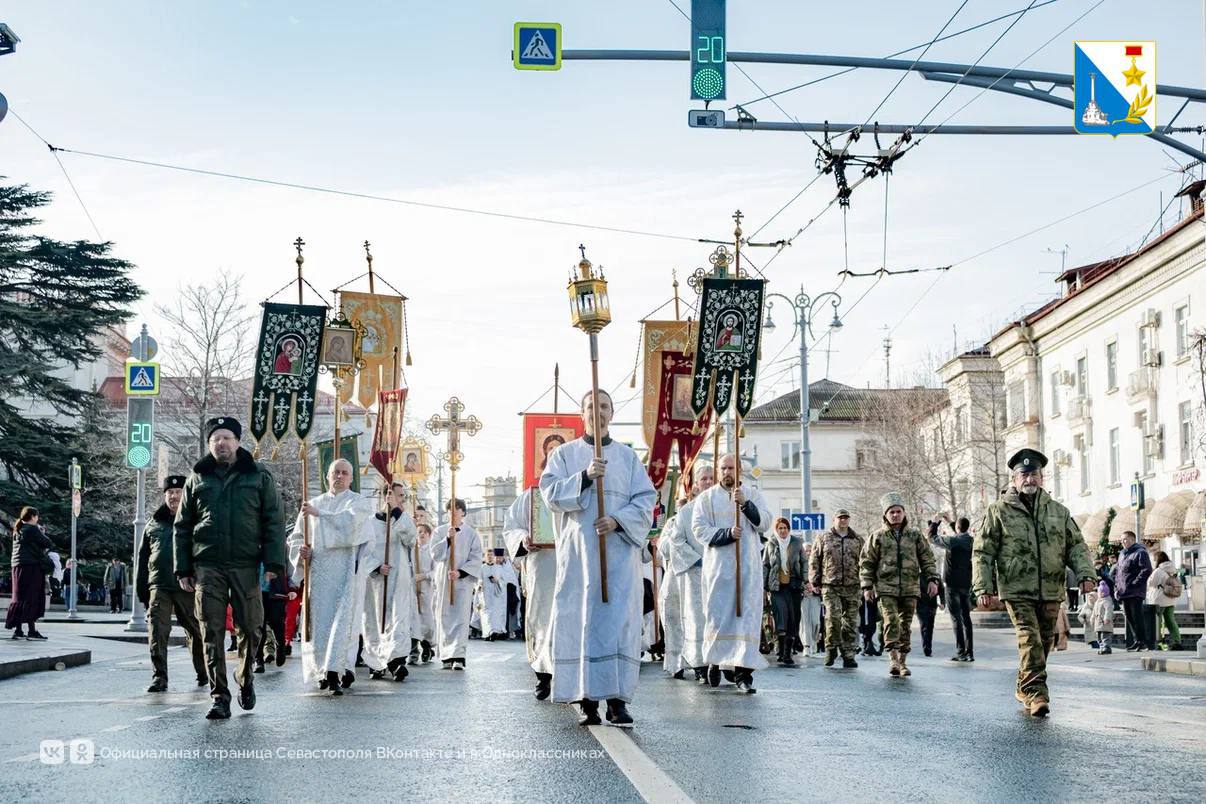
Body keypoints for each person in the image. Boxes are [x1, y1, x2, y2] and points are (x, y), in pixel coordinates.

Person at [540, 389, 656, 727]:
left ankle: (618, 701)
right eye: (591, 406)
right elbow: (549, 494)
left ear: (612, 413)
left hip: (618, 556)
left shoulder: (628, 458)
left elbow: (646, 500)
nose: (598, 411)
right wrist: (584, 478)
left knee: (619, 624)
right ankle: (586, 698)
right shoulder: (564, 455)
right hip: (580, 557)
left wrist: (618, 520)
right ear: (582, 413)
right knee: (583, 622)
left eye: (604, 406)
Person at [174, 417, 286, 720]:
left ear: (237, 442)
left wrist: (274, 563)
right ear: (209, 444)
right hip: (208, 565)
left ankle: (244, 678)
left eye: (226, 438)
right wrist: (183, 568)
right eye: (215, 439)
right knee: (210, 630)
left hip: (246, 564)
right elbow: (182, 526)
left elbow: (273, 520)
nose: (221, 443)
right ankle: (219, 696)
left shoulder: (258, 475)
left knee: (250, 627)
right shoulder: (197, 478)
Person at [973, 448, 1095, 717]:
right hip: (1016, 588)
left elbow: (1076, 546)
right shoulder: (998, 511)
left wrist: (1086, 575)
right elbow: (983, 552)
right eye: (1024, 475)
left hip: (1051, 587)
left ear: (1042, 478)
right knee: (1030, 638)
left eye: (1034, 474)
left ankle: (1024, 684)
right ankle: (1037, 693)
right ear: (1014, 479)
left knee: (1046, 640)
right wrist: (983, 587)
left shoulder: (1058, 512)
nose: (1030, 479)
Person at [287, 458, 375, 695]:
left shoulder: (358, 503)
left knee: (342, 622)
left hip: (346, 572)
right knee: (320, 623)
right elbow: (297, 537)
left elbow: (352, 526)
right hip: (319, 573)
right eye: (335, 472)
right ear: (327, 476)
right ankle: (320, 670)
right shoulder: (312, 505)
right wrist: (302, 552)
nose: (339, 476)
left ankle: (335, 671)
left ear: (351, 478)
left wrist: (321, 515)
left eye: (344, 473)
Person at [692, 453, 771, 694]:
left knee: (746, 619)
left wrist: (746, 505)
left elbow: (765, 522)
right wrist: (726, 534)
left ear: (740, 470)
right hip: (719, 569)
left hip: (747, 570)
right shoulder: (706, 498)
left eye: (731, 468)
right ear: (718, 470)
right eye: (723, 468)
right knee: (718, 617)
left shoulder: (752, 494)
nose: (727, 472)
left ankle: (743, 674)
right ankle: (715, 661)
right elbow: (699, 529)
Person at [136, 475, 206, 691]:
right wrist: (142, 591)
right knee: (157, 631)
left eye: (178, 492)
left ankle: (203, 671)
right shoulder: (153, 523)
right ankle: (159, 677)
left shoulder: (196, 520)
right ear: (165, 495)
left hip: (188, 585)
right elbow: (142, 559)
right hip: (159, 585)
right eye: (170, 493)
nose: (174, 496)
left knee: (195, 630)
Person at [860, 492, 939, 678]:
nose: (895, 515)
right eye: (892, 512)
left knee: (905, 625)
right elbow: (867, 562)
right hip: (886, 587)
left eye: (898, 511)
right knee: (891, 621)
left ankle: (903, 661)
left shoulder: (915, 536)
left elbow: (927, 559)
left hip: (910, 588)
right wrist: (867, 586)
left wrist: (932, 579)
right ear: (886, 515)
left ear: (904, 513)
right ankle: (893, 659)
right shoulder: (877, 536)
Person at [503, 488, 556, 699]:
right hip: (542, 564)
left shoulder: (582, 489)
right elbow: (512, 526)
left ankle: (572, 677)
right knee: (542, 617)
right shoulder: (532, 497)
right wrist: (523, 539)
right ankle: (543, 673)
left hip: (575, 564)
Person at [362, 483, 418, 682]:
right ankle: (376, 663)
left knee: (398, 620)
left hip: (398, 578)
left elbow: (411, 540)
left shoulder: (403, 519)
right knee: (375, 622)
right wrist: (376, 567)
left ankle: (396, 661)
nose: (400, 499)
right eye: (396, 495)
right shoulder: (369, 522)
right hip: (376, 582)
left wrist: (396, 512)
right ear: (384, 496)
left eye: (402, 496)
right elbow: (362, 551)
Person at [670, 466, 714, 683]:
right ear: (696, 484)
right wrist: (697, 560)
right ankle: (700, 665)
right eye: (703, 479)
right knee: (698, 619)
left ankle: (721, 662)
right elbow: (676, 540)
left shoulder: (724, 508)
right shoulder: (686, 512)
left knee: (718, 618)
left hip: (719, 574)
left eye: (711, 478)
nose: (708, 482)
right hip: (696, 571)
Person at [429, 498, 483, 669]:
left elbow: (476, 558)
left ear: (463, 512)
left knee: (461, 618)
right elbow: (435, 554)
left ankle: (458, 655)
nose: (453, 512)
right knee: (444, 616)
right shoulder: (439, 531)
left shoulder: (471, 534)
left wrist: (460, 572)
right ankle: (446, 656)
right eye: (450, 509)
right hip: (444, 579)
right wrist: (447, 539)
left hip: (462, 581)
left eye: (457, 509)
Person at [810, 509, 864, 668]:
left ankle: (848, 654)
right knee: (833, 618)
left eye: (846, 518)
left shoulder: (857, 539)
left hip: (853, 586)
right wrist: (815, 581)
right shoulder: (824, 538)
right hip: (830, 585)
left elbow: (865, 561)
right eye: (840, 518)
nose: (843, 520)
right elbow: (814, 559)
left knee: (850, 622)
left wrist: (867, 582)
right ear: (834, 519)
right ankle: (831, 648)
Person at [929, 515, 975, 661]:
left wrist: (935, 523)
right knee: (966, 618)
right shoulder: (971, 541)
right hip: (966, 583)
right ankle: (970, 652)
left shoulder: (952, 541)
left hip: (952, 584)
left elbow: (932, 538)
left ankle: (961, 651)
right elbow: (960, 532)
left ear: (957, 527)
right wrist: (950, 522)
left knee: (956, 618)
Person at [762, 517, 806, 666]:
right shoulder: (771, 543)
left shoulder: (797, 543)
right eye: (780, 528)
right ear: (776, 529)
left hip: (794, 586)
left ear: (789, 529)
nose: (783, 531)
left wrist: (806, 581)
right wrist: (764, 586)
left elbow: (804, 562)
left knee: (793, 618)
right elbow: (765, 565)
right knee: (781, 616)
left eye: (785, 528)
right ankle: (780, 650)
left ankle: (787, 653)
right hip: (777, 587)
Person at [5, 507, 51, 640]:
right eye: (37, 516)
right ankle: (32, 631)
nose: (37, 519)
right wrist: (41, 532)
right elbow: (47, 543)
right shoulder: (32, 529)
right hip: (31, 567)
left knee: (19, 598)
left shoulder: (18, 530)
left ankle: (18, 630)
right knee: (32, 598)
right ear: (32, 516)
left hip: (17, 567)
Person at [1114, 531, 1153, 652]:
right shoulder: (1122, 554)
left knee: (1137, 617)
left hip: (1135, 591)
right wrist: (1117, 588)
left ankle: (1143, 642)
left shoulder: (1140, 552)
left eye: (1125, 539)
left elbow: (1146, 570)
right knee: (1130, 618)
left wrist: (1135, 583)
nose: (1123, 542)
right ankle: (1137, 641)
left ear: (1132, 539)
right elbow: (1118, 573)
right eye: (1121, 540)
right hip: (1124, 592)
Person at [1147, 551, 1183, 650]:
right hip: (1171, 598)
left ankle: (1159, 643)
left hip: (1159, 600)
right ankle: (1177, 642)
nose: (1154, 560)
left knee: (1157, 623)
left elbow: (1150, 583)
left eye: (1154, 559)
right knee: (1170, 621)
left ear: (1158, 559)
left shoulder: (1158, 571)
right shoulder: (1173, 569)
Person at [412, 523, 436, 663]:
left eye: (424, 532)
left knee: (426, 620)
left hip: (426, 589)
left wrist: (424, 576)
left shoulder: (432, 551)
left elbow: (436, 571)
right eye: (419, 531)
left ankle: (427, 646)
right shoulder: (411, 550)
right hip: (412, 589)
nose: (421, 534)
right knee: (412, 619)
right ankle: (413, 649)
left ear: (429, 535)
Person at [915, 572, 945, 657]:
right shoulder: (918, 576)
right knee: (924, 626)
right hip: (921, 605)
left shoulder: (936, 576)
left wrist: (943, 603)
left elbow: (941, 590)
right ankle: (927, 649)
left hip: (932, 605)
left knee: (930, 627)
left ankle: (928, 648)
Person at [1092, 580, 1115, 654]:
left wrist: (1107, 618)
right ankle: (1102, 647)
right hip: (1098, 623)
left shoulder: (1107, 601)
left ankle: (1106, 647)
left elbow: (1109, 610)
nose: (1099, 594)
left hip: (1105, 623)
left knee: (1105, 636)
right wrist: (1092, 619)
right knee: (1099, 637)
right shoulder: (1097, 602)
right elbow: (1094, 611)